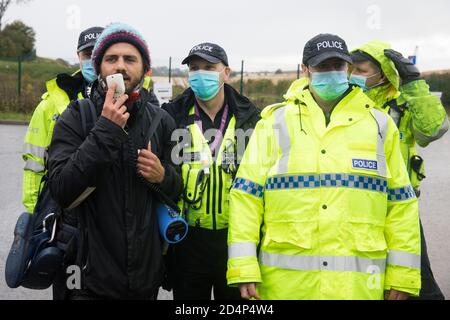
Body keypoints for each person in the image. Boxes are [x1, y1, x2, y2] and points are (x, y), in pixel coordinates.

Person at [227, 34, 421, 300]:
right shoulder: (273, 124)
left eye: (337, 66)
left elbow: (400, 204)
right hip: (287, 287)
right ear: (305, 70)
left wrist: (402, 276)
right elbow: (246, 197)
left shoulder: (380, 125)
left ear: (348, 69)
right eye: (322, 67)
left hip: (358, 287)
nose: (331, 73)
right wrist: (243, 266)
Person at [47, 23, 183, 300]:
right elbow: (61, 190)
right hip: (86, 279)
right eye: (111, 59)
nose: (120, 66)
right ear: (98, 69)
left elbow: (178, 191)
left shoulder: (162, 122)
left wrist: (163, 177)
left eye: (130, 59)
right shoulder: (76, 116)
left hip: (144, 280)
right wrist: (106, 129)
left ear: (145, 70)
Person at [349, 41, 449, 300]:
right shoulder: (346, 100)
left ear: (383, 73)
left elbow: (433, 130)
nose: (353, 75)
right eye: (351, 69)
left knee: (417, 283)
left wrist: (413, 83)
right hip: (355, 205)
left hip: (398, 206)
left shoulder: (402, 104)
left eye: (361, 70)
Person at [162, 43, 261, 300]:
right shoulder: (170, 116)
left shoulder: (252, 118)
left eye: (209, 68)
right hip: (188, 239)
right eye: (194, 68)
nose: (201, 74)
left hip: (235, 240)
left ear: (226, 72)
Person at [22, 26, 103, 215]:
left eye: (98, 53)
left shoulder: (127, 101)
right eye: (87, 54)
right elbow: (34, 161)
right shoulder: (50, 104)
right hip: (63, 204)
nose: (92, 60)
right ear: (78, 56)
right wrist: (34, 211)